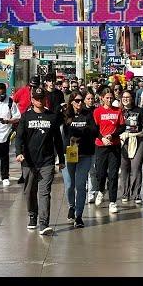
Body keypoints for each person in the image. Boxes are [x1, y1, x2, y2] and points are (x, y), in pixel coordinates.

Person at [15, 87, 65, 235]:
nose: (39, 101)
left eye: (42, 98)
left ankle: (44, 224)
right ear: (32, 100)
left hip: (47, 161)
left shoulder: (52, 117)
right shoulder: (26, 117)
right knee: (30, 191)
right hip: (29, 161)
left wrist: (61, 159)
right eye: (37, 98)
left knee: (44, 192)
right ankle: (32, 215)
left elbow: (58, 140)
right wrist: (19, 153)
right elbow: (19, 138)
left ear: (45, 99)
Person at [62, 91, 95, 228]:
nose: (80, 103)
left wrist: (84, 131)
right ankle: (71, 206)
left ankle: (79, 215)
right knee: (70, 185)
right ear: (71, 102)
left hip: (85, 153)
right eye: (77, 100)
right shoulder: (64, 115)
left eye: (81, 100)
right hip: (69, 153)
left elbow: (94, 130)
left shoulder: (88, 114)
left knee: (81, 185)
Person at [119, 90, 143, 205]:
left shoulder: (140, 111)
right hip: (123, 141)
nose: (125, 99)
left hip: (138, 140)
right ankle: (125, 193)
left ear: (132, 98)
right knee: (124, 168)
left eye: (128, 97)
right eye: (124, 97)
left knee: (136, 167)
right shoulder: (119, 111)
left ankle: (136, 194)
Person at [93, 87, 126, 213]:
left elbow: (122, 127)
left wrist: (113, 135)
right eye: (107, 97)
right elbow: (94, 129)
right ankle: (101, 190)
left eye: (111, 97)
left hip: (114, 145)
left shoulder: (118, 111)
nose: (109, 100)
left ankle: (112, 201)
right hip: (101, 146)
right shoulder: (97, 112)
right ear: (102, 98)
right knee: (100, 173)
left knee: (113, 175)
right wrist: (102, 138)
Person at [84, 91, 100, 204]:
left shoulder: (96, 111)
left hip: (94, 143)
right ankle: (87, 188)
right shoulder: (81, 112)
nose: (90, 100)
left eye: (92, 98)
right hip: (82, 144)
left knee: (92, 170)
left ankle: (92, 192)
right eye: (88, 98)